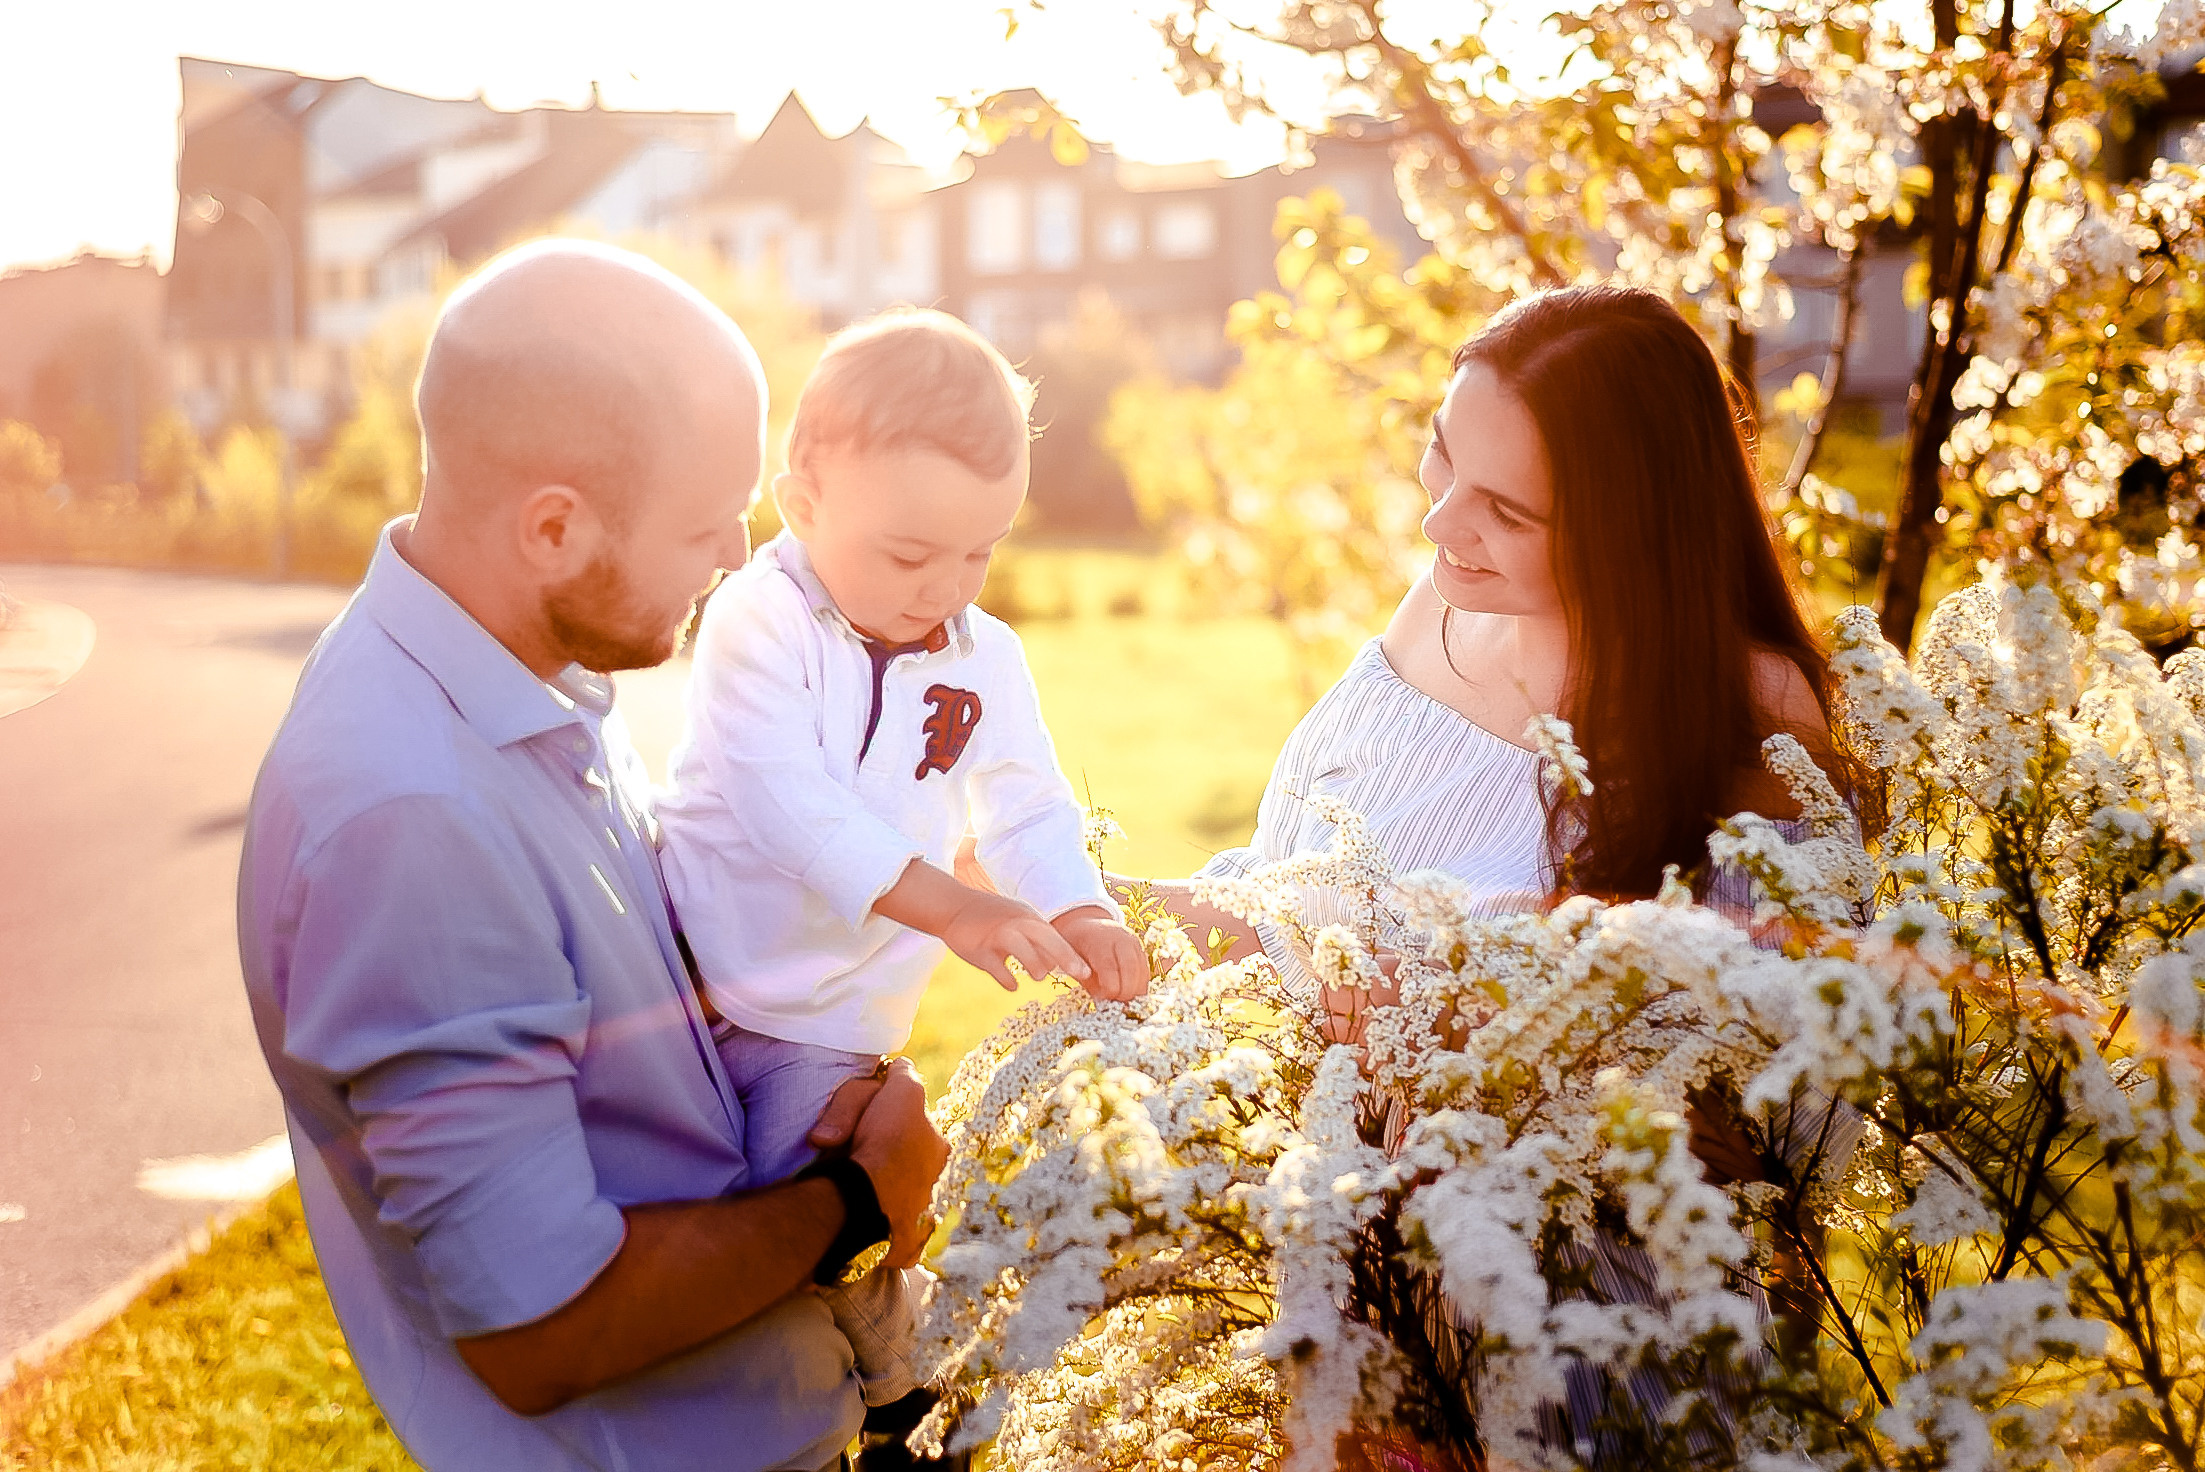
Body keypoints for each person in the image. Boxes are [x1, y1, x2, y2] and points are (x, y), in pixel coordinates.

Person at [1117, 284, 1866, 1464]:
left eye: (1505, 508)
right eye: (1441, 456)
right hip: (1361, 1310)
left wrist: (1484, 1013)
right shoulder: (1442, 607)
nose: (1441, 524)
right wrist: (1096, 907)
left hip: (1589, 1368)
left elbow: (1774, 1124)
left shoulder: (1757, 719)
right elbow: (1291, 895)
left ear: (1632, 521)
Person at [237, 239, 947, 1472]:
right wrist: (851, 1198)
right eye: (704, 520)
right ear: (555, 527)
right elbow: (541, 1324)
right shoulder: (411, 814)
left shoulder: (521, 675)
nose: (741, 550)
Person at [657, 309, 1149, 1408]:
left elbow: (1026, 806)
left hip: (826, 1022)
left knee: (806, 1193)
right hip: (679, 982)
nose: (947, 586)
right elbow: (787, 806)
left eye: (981, 550)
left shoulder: (985, 655)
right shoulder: (758, 617)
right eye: (912, 552)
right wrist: (953, 909)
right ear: (804, 503)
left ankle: (898, 1379)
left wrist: (1079, 908)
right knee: (687, 1216)